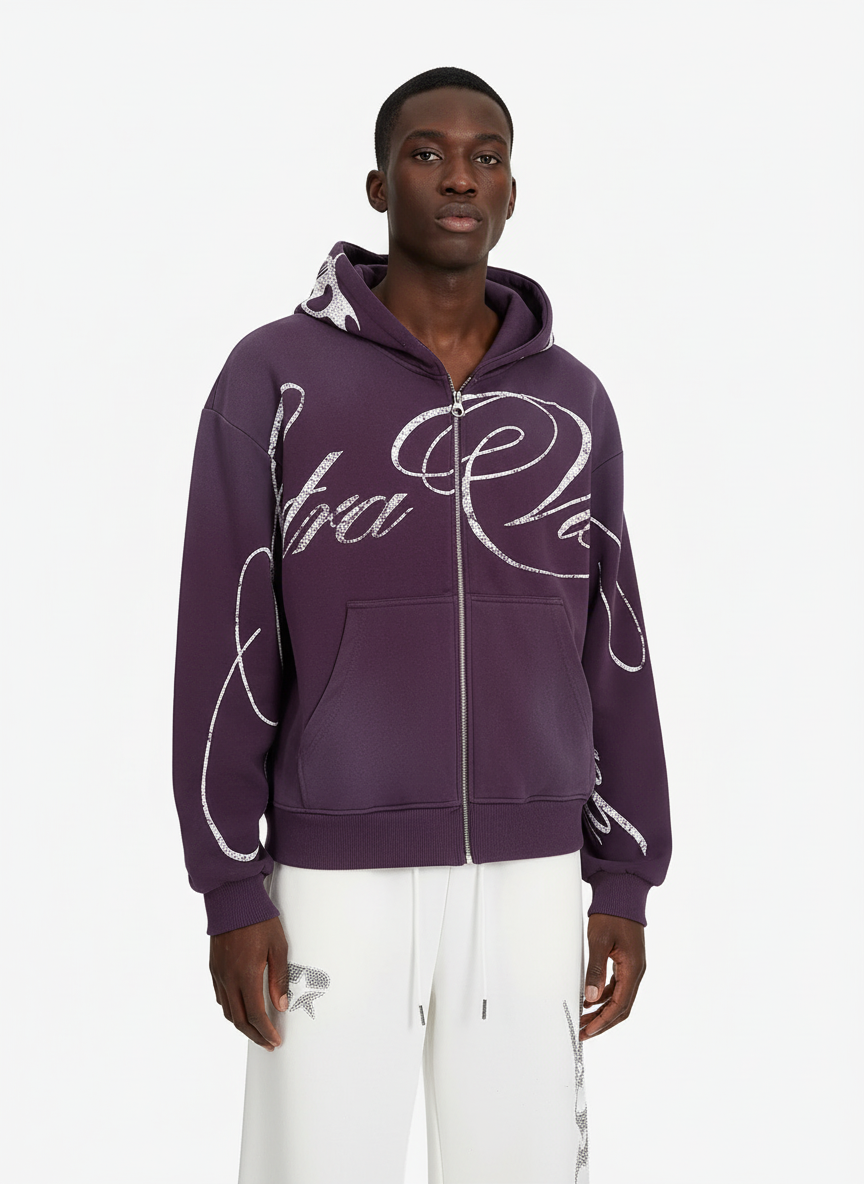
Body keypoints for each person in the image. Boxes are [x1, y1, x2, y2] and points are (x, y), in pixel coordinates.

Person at [171, 65, 672, 1184]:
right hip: (331, 871)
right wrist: (231, 885)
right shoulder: (274, 376)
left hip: (533, 868)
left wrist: (626, 876)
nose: (459, 176)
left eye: (485, 156)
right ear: (377, 184)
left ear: (511, 192)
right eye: (428, 152)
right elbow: (225, 636)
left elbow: (615, 641)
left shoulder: (572, 401)